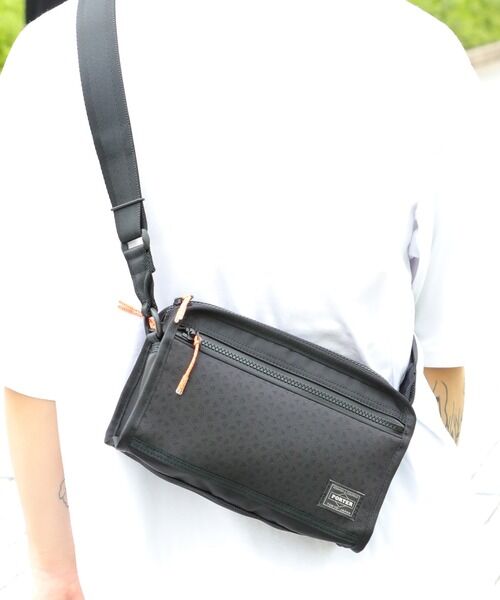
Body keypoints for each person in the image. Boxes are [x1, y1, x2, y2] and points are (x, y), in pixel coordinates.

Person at [0, 0, 495, 598]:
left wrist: (55, 575)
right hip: (390, 569)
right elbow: (443, 361)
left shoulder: (55, 55)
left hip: (143, 572)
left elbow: (29, 373)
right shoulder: (418, 54)